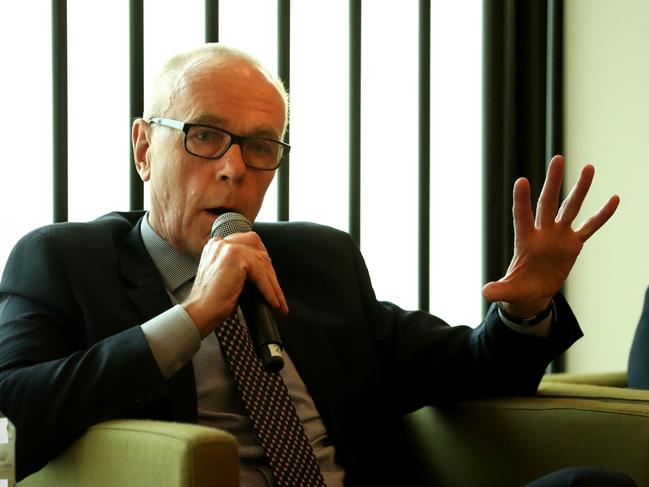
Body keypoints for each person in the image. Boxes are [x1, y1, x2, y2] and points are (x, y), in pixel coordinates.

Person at [0, 43, 632, 486]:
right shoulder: (61, 261)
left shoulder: (316, 260)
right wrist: (192, 316)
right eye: (204, 135)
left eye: (260, 147)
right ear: (144, 148)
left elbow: (468, 370)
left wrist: (524, 309)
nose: (233, 168)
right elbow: (11, 416)